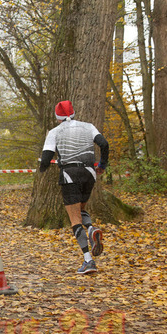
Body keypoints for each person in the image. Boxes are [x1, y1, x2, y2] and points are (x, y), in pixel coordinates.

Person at [39, 100, 109, 275]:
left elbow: (46, 159)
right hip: (89, 173)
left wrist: (42, 167)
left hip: (69, 175)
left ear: (57, 117)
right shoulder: (89, 126)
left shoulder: (55, 132)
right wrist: (102, 165)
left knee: (74, 219)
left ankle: (88, 261)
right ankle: (91, 229)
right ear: (74, 113)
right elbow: (104, 144)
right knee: (81, 210)